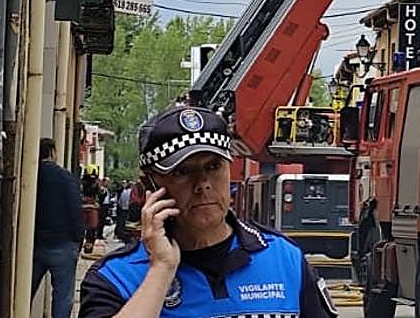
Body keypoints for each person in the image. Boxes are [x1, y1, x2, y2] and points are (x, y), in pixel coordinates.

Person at [78, 104, 337, 318]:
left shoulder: (284, 259)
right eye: (182, 171)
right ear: (150, 185)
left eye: (213, 167)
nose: (202, 183)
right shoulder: (116, 277)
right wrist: (161, 269)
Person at [33, 138, 84, 318]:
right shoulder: (65, 178)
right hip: (63, 245)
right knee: (62, 298)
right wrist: (79, 239)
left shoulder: (31, 175)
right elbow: (75, 210)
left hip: (35, 245)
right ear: (52, 153)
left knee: (23, 290)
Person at [80, 165, 102, 253]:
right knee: (87, 229)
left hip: (89, 208)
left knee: (91, 230)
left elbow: (100, 195)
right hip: (88, 208)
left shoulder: (95, 184)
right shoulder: (82, 184)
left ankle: (88, 247)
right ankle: (86, 246)